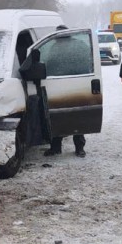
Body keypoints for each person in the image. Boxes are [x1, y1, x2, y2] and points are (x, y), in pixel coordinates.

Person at [43, 25, 90, 157]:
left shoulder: (78, 46)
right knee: (57, 117)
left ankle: (79, 147)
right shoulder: (54, 47)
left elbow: (86, 63)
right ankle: (56, 147)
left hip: (75, 84)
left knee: (76, 118)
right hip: (57, 85)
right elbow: (48, 63)